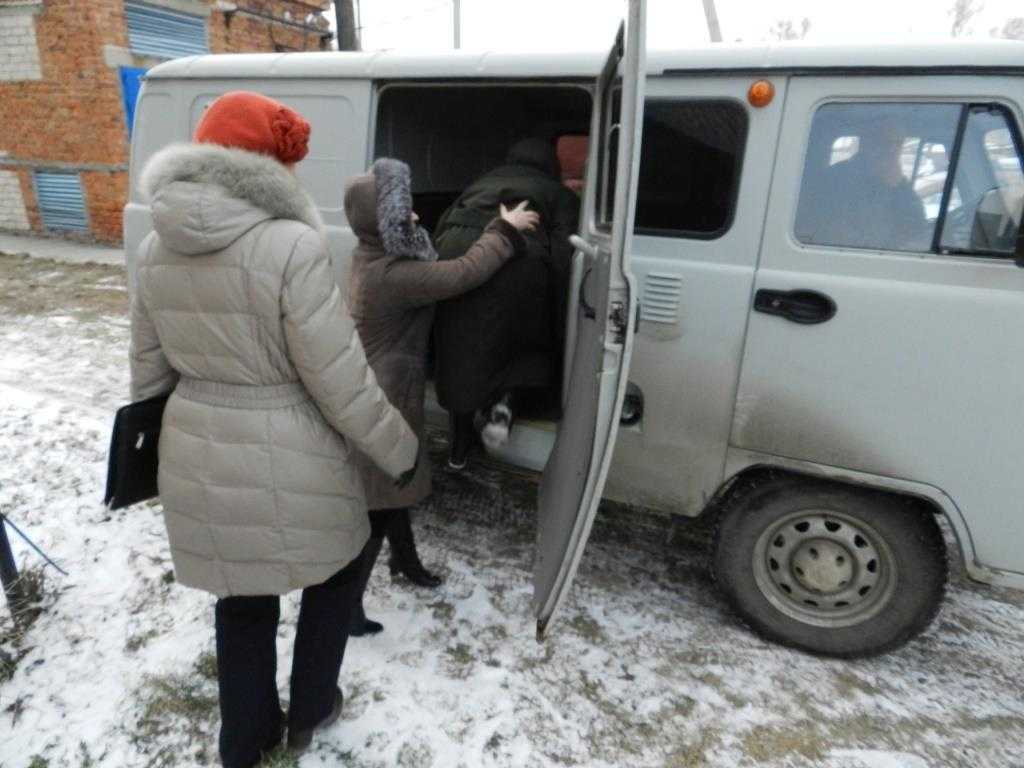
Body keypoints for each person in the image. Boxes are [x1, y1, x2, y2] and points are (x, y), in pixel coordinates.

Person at [129, 92, 418, 767]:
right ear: (268, 165)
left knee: (242, 594)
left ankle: (247, 735)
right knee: (340, 566)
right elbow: (337, 375)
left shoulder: (153, 244)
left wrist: (152, 456)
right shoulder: (291, 243)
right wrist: (398, 451)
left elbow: (147, 372)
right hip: (291, 439)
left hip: (196, 445)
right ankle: (311, 707)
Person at [343, 157, 537, 635]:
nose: (413, 216)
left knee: (394, 486)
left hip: (385, 383)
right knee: (381, 499)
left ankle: (404, 563)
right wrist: (503, 228)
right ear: (383, 224)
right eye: (401, 212)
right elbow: (464, 273)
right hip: (387, 392)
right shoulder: (392, 274)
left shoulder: (374, 255)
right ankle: (346, 609)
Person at [432, 137, 580, 469]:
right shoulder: (558, 193)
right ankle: (504, 403)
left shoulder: (480, 183)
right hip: (521, 258)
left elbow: (442, 225)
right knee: (519, 339)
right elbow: (563, 251)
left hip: (456, 256)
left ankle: (458, 449)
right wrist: (558, 303)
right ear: (549, 164)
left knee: (461, 346)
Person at [796, 120, 930, 251]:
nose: (892, 150)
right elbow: (809, 224)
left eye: (898, 144)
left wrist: (898, 187)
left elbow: (917, 229)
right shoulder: (835, 178)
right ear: (866, 143)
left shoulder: (900, 187)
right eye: (885, 143)